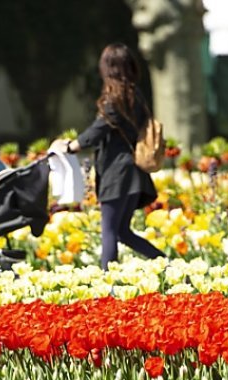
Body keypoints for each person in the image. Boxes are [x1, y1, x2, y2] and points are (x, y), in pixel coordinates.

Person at [51, 43, 164, 270]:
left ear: (108, 68)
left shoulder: (114, 100)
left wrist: (71, 146)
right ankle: (169, 264)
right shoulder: (136, 95)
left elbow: (96, 131)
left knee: (110, 231)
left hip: (117, 175)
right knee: (123, 231)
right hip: (134, 174)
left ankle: (106, 283)